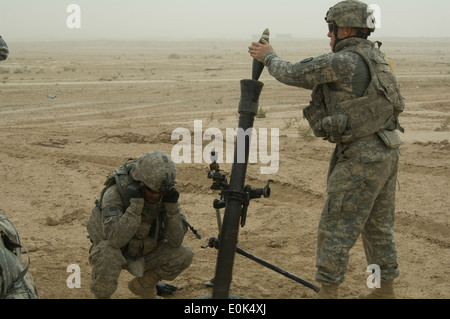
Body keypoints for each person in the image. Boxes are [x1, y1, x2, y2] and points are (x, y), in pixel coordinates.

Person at [248, 0, 404, 299]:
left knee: (336, 227)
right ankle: (383, 290)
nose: (329, 36)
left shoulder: (345, 60)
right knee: (377, 227)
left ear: (344, 28)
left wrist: (268, 57)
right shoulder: (376, 57)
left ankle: (328, 293)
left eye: (331, 30)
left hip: (361, 156)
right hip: (385, 149)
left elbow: (293, 73)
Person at [87, 150, 194, 299]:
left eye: (162, 193)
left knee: (184, 254)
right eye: (154, 192)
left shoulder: (163, 194)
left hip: (145, 250)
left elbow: (176, 241)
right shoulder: (115, 194)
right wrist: (135, 206)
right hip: (118, 252)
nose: (158, 197)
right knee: (107, 251)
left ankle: (143, 286)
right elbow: (115, 239)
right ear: (141, 184)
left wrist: (172, 209)